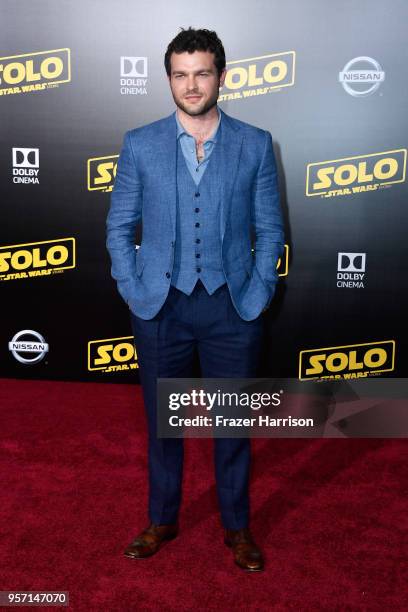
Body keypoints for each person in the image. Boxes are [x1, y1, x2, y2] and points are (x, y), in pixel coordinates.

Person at [106, 27, 284, 572]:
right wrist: (136, 290)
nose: (191, 84)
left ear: (221, 76)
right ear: (169, 79)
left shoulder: (255, 143)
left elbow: (270, 230)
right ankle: (162, 518)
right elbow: (119, 227)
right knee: (163, 424)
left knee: (233, 425)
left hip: (232, 305)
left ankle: (237, 527)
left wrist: (255, 292)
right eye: (181, 74)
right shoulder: (140, 143)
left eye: (201, 72)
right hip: (161, 305)